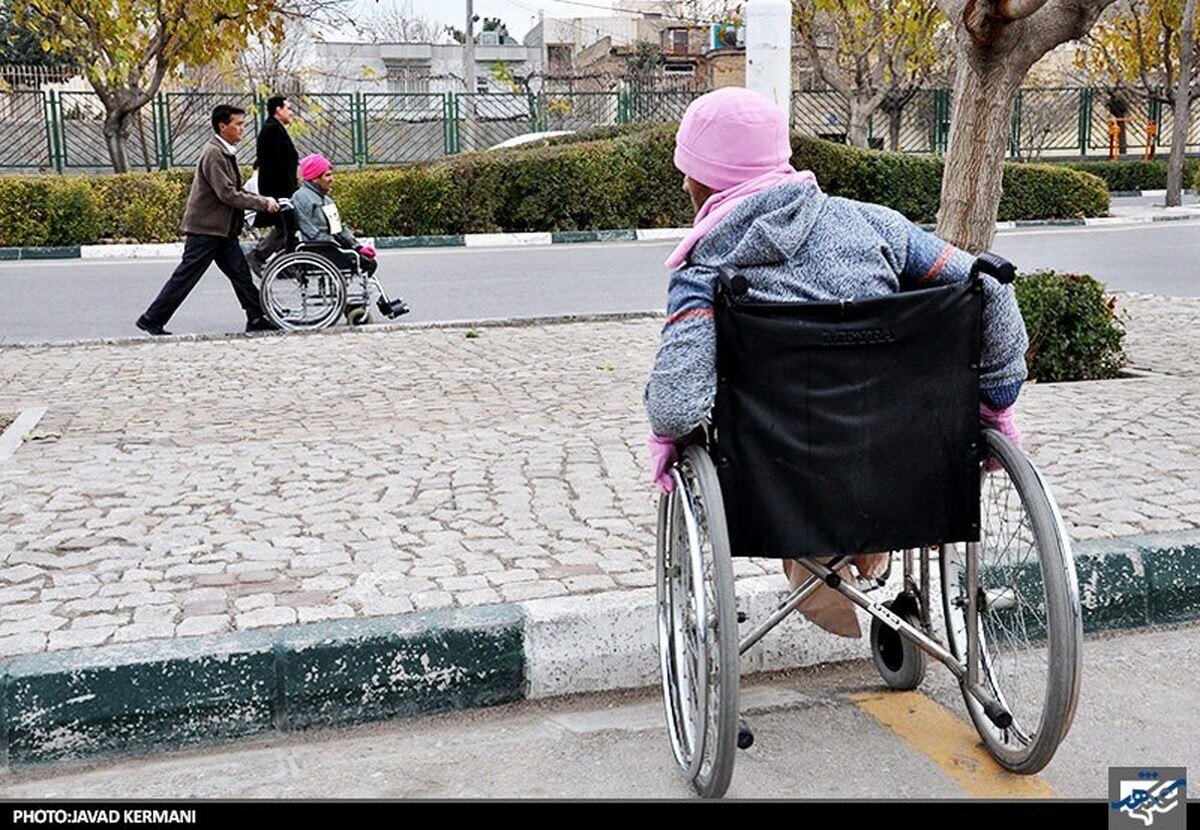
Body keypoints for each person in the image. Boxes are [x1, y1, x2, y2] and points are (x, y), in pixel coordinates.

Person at [643, 87, 1029, 637]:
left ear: (710, 180)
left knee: (810, 525)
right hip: (909, 466)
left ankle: (854, 593)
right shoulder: (877, 226)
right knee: (870, 483)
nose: (684, 182)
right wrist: (994, 403)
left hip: (784, 487)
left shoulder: (704, 273)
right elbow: (988, 287)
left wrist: (666, 436)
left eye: (691, 171)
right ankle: (879, 577)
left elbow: (678, 408)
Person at [136, 105, 280, 336]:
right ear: (223, 126)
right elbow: (227, 194)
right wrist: (263, 203)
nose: (243, 128)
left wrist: (262, 199)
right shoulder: (214, 153)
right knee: (186, 276)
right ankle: (152, 318)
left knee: (240, 273)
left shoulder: (224, 151)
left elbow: (234, 190)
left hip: (221, 230)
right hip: (206, 230)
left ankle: (256, 316)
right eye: (239, 124)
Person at [291, 153, 377, 277]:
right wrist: (335, 245)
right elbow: (310, 230)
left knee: (368, 261)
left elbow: (338, 227)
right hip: (320, 250)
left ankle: (372, 293)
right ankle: (371, 293)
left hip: (329, 247)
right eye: (327, 175)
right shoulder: (302, 198)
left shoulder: (326, 200)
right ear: (314, 178)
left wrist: (357, 247)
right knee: (367, 264)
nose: (332, 179)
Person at [247, 95, 299, 275]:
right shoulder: (272, 130)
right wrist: (285, 194)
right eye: (289, 108)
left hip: (281, 189)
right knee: (285, 227)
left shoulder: (275, 129)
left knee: (287, 227)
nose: (291, 112)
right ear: (278, 109)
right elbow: (276, 164)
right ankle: (259, 255)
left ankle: (284, 263)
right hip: (279, 190)